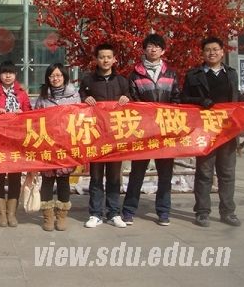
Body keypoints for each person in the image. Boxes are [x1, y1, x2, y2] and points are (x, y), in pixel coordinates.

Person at [182, 37, 244, 227]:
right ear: (202, 53)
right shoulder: (193, 75)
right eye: (208, 50)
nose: (212, 53)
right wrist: (200, 101)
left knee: (227, 173)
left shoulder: (231, 74)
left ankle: (228, 212)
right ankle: (202, 212)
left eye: (215, 49)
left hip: (227, 131)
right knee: (204, 173)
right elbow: (184, 98)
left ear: (222, 51)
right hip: (205, 131)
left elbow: (236, 97)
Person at [121, 34, 181, 227]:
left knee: (165, 174)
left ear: (163, 50)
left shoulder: (171, 74)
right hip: (143, 133)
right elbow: (133, 100)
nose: (153, 49)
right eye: (149, 46)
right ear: (144, 49)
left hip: (165, 132)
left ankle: (163, 212)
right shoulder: (135, 75)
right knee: (137, 173)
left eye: (157, 46)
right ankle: (128, 211)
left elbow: (177, 99)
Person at [80, 43, 130, 228]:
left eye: (109, 57)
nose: (105, 60)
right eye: (102, 57)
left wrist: (127, 99)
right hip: (96, 136)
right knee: (96, 177)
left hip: (116, 136)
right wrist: (85, 99)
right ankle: (95, 214)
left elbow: (131, 100)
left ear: (114, 59)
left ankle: (114, 213)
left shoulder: (122, 81)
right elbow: (80, 99)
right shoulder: (88, 81)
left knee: (114, 177)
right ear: (96, 59)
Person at [0, 60, 32, 227]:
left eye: (11, 72)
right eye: (4, 73)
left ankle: (12, 214)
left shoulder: (22, 93)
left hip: (16, 141)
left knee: (14, 177)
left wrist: (22, 113)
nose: (8, 76)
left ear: (15, 75)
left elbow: (31, 115)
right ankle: (1, 214)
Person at [34, 63, 80, 231]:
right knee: (47, 180)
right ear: (48, 78)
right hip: (47, 143)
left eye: (59, 75)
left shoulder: (74, 96)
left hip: (66, 144)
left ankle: (61, 216)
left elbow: (79, 118)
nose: (56, 78)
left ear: (64, 77)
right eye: (52, 76)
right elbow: (35, 119)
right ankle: (48, 217)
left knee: (63, 180)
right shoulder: (43, 97)